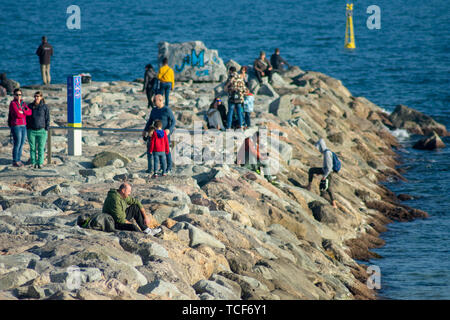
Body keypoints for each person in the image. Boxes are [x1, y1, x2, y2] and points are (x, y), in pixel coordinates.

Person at [142, 94, 176, 173]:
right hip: (155, 135)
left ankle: (169, 168)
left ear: (160, 100)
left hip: (164, 134)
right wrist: (145, 130)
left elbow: (173, 121)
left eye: (154, 101)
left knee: (166, 150)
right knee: (157, 150)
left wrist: (169, 130)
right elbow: (150, 121)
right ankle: (161, 167)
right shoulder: (154, 110)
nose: (153, 102)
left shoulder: (167, 110)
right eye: (153, 101)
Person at [305, 138, 337, 208]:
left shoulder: (327, 153)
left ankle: (334, 203)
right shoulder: (326, 152)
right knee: (312, 170)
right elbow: (326, 166)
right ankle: (309, 186)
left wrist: (324, 176)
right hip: (325, 170)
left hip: (329, 172)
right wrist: (320, 172)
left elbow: (329, 167)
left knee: (328, 187)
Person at [8, 88, 32, 167]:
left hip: (23, 125)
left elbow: (29, 112)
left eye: (20, 95)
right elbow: (18, 115)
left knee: (22, 144)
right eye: (17, 95)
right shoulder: (13, 104)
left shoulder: (23, 103)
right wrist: (22, 112)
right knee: (17, 143)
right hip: (16, 125)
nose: (18, 96)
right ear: (14, 95)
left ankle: (19, 159)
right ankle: (15, 160)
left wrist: (23, 111)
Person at [26, 91, 50, 169]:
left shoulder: (45, 107)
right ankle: (33, 163)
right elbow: (26, 117)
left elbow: (47, 118)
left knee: (40, 148)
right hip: (31, 131)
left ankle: (40, 163)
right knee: (32, 148)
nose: (36, 98)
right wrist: (28, 127)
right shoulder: (30, 106)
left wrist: (46, 128)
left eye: (38, 96)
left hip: (42, 131)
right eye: (35, 96)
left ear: (41, 97)